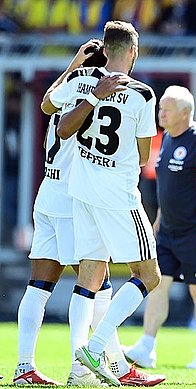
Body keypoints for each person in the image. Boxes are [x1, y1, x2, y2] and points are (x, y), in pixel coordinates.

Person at [43, 21, 165, 386]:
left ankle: (79, 369)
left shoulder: (82, 81)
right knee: (149, 275)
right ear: (132, 51)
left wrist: (79, 74)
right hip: (117, 194)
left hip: (81, 189)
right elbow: (144, 155)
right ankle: (95, 349)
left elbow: (50, 106)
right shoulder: (142, 94)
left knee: (89, 277)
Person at [14, 40, 110, 387]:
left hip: (47, 195)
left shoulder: (64, 90)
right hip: (72, 200)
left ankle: (24, 366)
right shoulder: (98, 92)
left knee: (39, 287)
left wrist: (71, 64)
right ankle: (88, 366)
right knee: (96, 285)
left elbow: (45, 104)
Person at [122, 86, 196, 370]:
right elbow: (167, 188)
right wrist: (159, 220)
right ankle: (147, 346)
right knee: (158, 285)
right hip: (167, 231)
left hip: (194, 232)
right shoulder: (165, 141)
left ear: (185, 112)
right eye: (160, 107)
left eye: (167, 108)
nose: (160, 112)